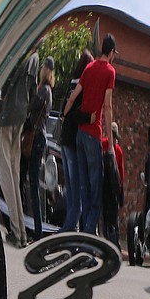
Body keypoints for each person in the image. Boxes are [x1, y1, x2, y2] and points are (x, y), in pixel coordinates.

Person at [63, 33, 116, 235]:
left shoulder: (88, 68)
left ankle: (83, 238)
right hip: (94, 134)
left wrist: (65, 113)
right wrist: (109, 143)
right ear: (111, 53)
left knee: (84, 187)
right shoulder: (110, 72)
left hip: (79, 136)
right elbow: (108, 106)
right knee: (96, 192)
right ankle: (87, 240)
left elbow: (74, 95)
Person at [0, 46, 39, 246]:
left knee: (5, 174)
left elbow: (6, 84)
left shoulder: (22, 54)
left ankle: (17, 231)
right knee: (14, 174)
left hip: (8, 115)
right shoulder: (36, 59)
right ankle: (20, 231)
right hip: (20, 115)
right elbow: (33, 92)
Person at [58, 50, 93, 232]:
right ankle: (65, 233)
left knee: (71, 191)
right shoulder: (82, 86)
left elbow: (65, 109)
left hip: (64, 140)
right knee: (77, 195)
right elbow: (76, 114)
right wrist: (90, 117)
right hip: (73, 142)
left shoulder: (71, 84)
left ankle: (68, 230)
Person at [21, 56, 54, 242]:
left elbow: (31, 104)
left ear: (45, 70)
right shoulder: (47, 90)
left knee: (33, 182)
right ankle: (34, 227)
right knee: (31, 181)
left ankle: (37, 230)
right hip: (39, 137)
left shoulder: (45, 90)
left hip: (36, 137)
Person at [100, 122, 125, 246]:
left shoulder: (105, 144)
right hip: (111, 188)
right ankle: (113, 241)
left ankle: (110, 240)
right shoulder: (116, 149)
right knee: (111, 217)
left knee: (108, 217)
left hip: (107, 186)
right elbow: (121, 173)